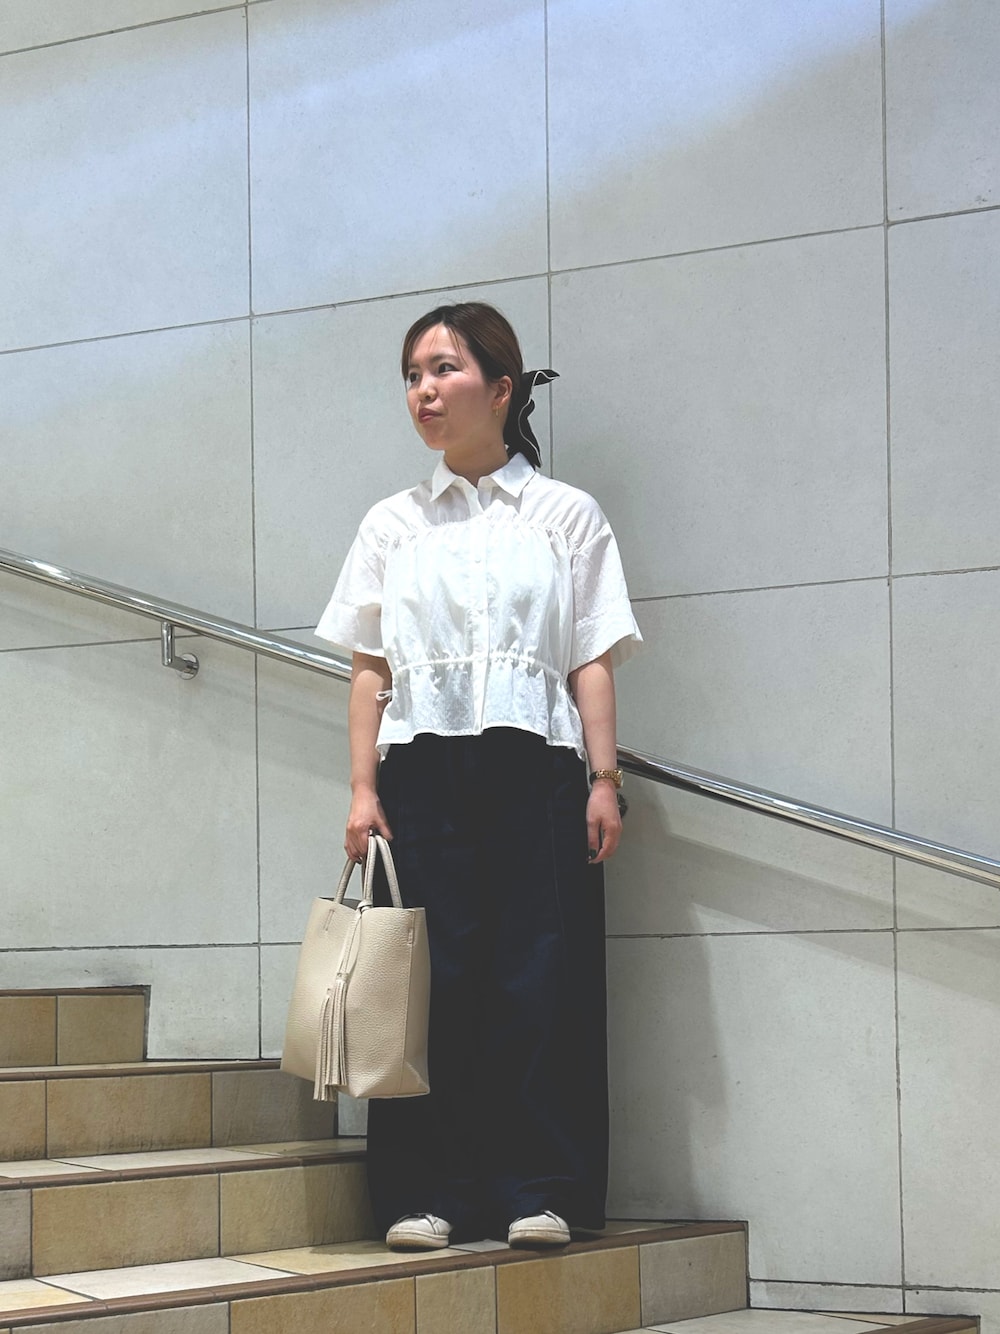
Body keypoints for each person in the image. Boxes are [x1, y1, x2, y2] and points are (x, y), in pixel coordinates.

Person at [315, 301, 641, 1252]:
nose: (424, 390)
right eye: (413, 374)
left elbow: (590, 658)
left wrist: (605, 779)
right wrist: (363, 790)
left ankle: (542, 1190)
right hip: (421, 768)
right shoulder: (392, 524)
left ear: (501, 389)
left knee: (540, 978)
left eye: (444, 369)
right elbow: (369, 668)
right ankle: (427, 1193)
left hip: (538, 765)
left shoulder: (566, 515)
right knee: (431, 984)